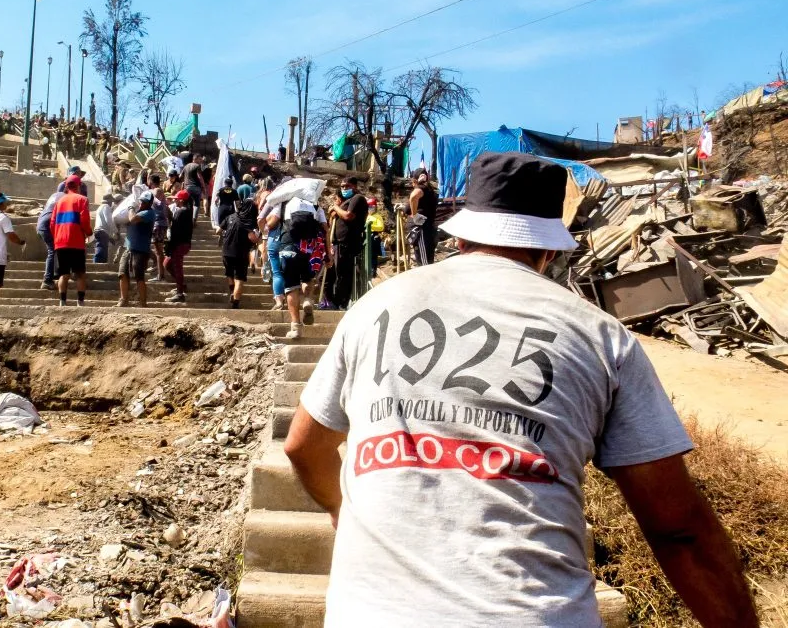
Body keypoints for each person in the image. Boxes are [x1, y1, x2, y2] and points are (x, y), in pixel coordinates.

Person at [284, 152, 757, 627]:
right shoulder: (600, 335)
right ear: (549, 249)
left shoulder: (374, 307)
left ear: (463, 234)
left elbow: (304, 445)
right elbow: (679, 531)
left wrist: (342, 508)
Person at [266, 194, 324, 339]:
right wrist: (327, 253)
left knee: (291, 288)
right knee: (306, 278)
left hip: (287, 247)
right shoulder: (315, 204)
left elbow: (271, 223)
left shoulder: (284, 202)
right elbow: (325, 228)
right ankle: (307, 300)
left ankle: (296, 327)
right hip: (308, 249)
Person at [322, 176, 367, 310]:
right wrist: (333, 212)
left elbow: (348, 216)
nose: (344, 189)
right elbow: (332, 223)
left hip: (347, 243)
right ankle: (328, 301)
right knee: (331, 274)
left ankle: (340, 302)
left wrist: (335, 207)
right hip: (336, 243)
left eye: (347, 186)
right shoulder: (343, 202)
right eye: (342, 186)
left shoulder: (357, 199)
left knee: (342, 274)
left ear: (354, 186)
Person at [50, 175, 93, 306]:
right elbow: (84, 220)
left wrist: (57, 237)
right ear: (79, 186)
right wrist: (89, 232)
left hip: (60, 242)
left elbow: (52, 224)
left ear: (66, 186)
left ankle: (62, 301)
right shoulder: (82, 199)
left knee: (63, 274)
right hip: (76, 242)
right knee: (80, 274)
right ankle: (80, 302)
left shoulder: (59, 202)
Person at [118, 191, 157, 308]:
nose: (141, 204)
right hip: (129, 248)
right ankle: (123, 300)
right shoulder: (140, 211)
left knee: (139, 276)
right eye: (140, 201)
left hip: (140, 250)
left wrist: (130, 208)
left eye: (144, 202)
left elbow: (132, 219)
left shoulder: (149, 213)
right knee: (122, 273)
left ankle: (143, 303)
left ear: (149, 203)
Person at [219, 198, 259, 309]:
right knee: (240, 278)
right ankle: (235, 302)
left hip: (227, 251)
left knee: (229, 273)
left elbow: (218, 230)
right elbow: (252, 238)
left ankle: (232, 290)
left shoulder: (231, 217)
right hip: (241, 253)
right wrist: (258, 239)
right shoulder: (250, 221)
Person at [164, 189, 194, 303]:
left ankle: (180, 293)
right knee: (167, 264)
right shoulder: (186, 211)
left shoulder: (181, 211)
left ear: (181, 200)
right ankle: (180, 285)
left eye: (176, 199)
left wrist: (171, 245)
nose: (175, 201)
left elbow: (175, 229)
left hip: (179, 243)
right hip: (182, 243)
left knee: (177, 267)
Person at [36, 188, 65, 289]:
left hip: (41, 224)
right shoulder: (64, 198)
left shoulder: (54, 196)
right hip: (48, 225)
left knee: (56, 249)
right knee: (52, 250)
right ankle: (47, 280)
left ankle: (56, 273)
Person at [409, 172, 440, 265]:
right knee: (427, 262)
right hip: (428, 230)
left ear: (415, 180)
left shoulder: (422, 189)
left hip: (422, 231)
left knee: (424, 265)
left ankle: (427, 279)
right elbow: (411, 204)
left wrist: (414, 215)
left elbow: (413, 196)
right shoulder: (430, 190)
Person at [148, 174, 170, 282]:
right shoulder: (156, 191)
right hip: (158, 223)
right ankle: (160, 274)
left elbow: (160, 205)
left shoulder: (157, 191)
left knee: (158, 251)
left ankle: (160, 275)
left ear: (150, 181)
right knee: (157, 250)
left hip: (158, 223)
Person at [93, 193, 120, 264]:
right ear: (109, 201)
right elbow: (108, 221)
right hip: (102, 231)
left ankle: (99, 262)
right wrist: (116, 231)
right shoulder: (106, 207)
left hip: (99, 230)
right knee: (101, 248)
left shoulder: (100, 207)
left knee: (102, 248)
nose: (112, 203)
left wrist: (110, 237)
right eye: (112, 201)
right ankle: (98, 264)